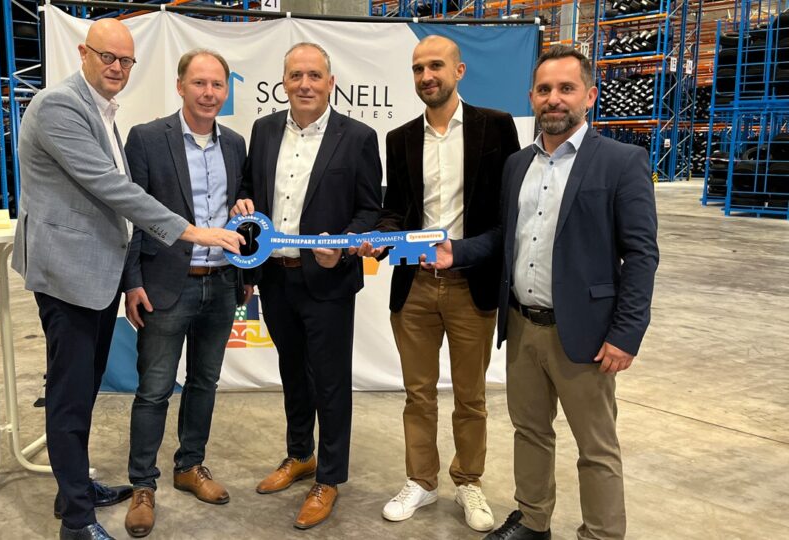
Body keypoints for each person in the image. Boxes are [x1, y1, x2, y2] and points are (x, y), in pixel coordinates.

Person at [12, 19, 242, 540]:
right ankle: (77, 521)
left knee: (83, 391)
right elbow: (111, 187)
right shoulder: (60, 105)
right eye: (107, 56)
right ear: (83, 53)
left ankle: (74, 488)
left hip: (95, 276)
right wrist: (189, 231)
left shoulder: (102, 111)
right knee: (70, 396)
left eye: (125, 60)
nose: (117, 67)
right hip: (68, 276)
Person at [483, 45, 658, 540]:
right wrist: (455, 251)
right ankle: (532, 520)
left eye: (566, 88)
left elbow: (641, 254)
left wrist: (626, 333)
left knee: (596, 447)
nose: (554, 99)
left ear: (590, 96)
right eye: (544, 89)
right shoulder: (517, 165)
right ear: (531, 98)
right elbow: (506, 238)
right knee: (530, 432)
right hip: (523, 325)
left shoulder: (621, 162)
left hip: (587, 335)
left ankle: (601, 534)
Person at [360, 35, 520, 532]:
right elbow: (395, 210)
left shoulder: (496, 126)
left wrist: (463, 252)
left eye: (435, 66)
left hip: (472, 283)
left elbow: (507, 216)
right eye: (417, 68)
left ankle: (468, 480)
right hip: (415, 287)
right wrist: (380, 237)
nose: (426, 76)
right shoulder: (400, 138)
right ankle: (422, 481)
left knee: (471, 397)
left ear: (459, 70)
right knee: (418, 393)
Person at [231, 42, 382, 530]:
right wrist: (241, 203)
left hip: (329, 280)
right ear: (284, 82)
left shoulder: (357, 137)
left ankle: (329, 478)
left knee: (331, 381)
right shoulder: (264, 129)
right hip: (276, 277)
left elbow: (370, 210)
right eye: (295, 75)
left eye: (314, 75)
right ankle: (300, 455)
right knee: (293, 373)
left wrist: (344, 246)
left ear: (330, 82)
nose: (305, 84)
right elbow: (249, 189)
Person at [119, 49, 252, 538]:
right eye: (199, 83)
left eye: (217, 84)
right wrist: (132, 281)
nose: (209, 93)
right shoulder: (148, 138)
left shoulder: (235, 143)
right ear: (180, 87)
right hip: (164, 286)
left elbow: (242, 210)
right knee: (154, 389)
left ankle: (190, 465)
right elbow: (132, 214)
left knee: (204, 382)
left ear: (226, 90)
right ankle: (142, 484)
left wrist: (247, 268)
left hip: (221, 284)